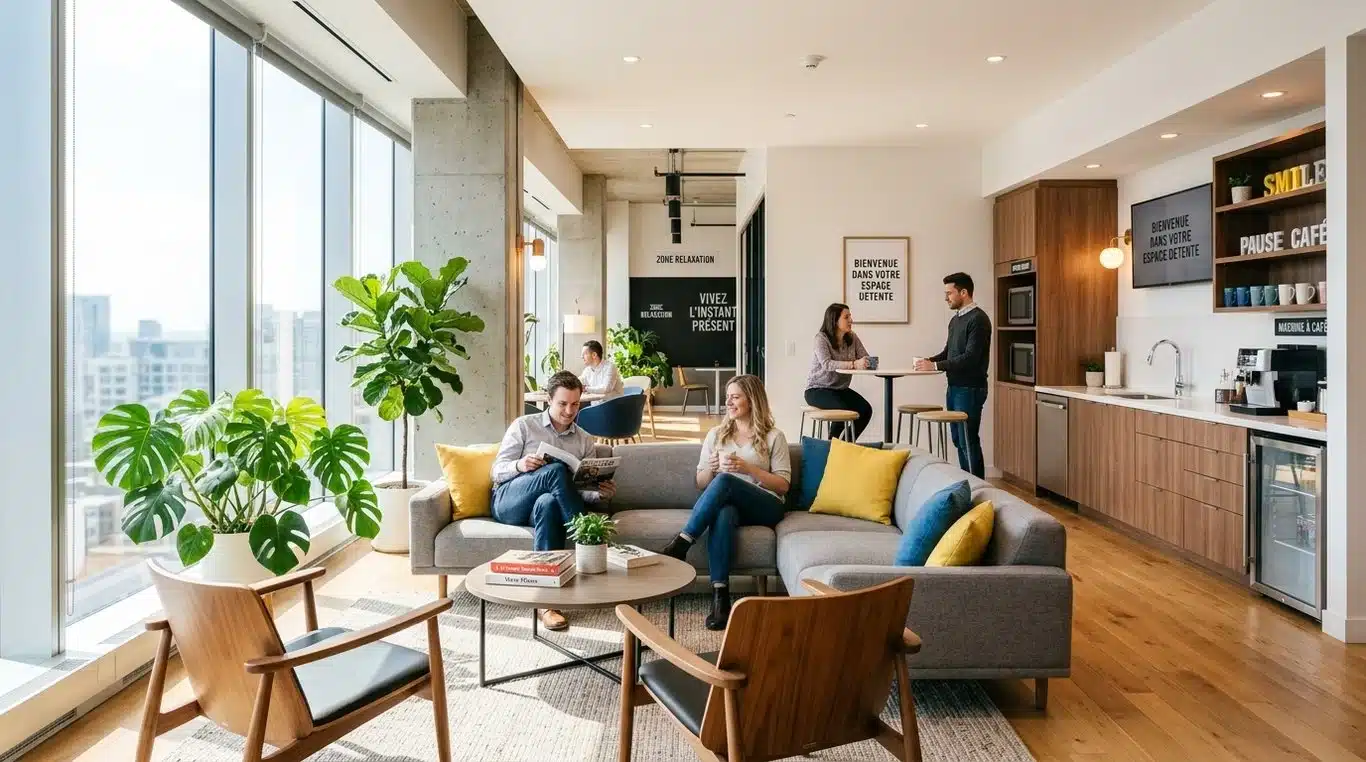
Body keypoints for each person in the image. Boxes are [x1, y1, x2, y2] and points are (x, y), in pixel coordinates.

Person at [658, 375, 791, 631]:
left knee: (727, 482)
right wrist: (712, 468)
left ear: (752, 400)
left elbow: (783, 485)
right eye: (727, 396)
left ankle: (683, 541)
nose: (728, 402)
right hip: (732, 505)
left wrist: (748, 468)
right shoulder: (716, 434)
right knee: (724, 512)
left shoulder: (775, 436)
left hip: (766, 505)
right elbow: (700, 481)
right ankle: (720, 598)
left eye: (735, 396)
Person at [490, 371, 616, 631]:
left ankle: (547, 604)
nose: (569, 411)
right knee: (556, 471)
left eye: (575, 404)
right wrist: (521, 464)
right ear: (549, 400)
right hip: (509, 500)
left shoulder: (583, 439)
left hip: (545, 507)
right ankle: (586, 537)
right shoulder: (524, 425)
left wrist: (599, 493)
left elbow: (582, 490)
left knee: (548, 503)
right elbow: (496, 470)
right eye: (562, 404)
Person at [914, 272, 991, 477]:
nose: (946, 298)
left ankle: (978, 487)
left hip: (971, 388)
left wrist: (937, 366)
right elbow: (949, 352)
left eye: (949, 293)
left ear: (964, 292)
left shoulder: (979, 319)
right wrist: (929, 361)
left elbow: (970, 358)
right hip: (955, 387)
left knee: (968, 440)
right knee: (958, 439)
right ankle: (969, 484)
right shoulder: (955, 320)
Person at [803, 303, 873, 440]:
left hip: (840, 389)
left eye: (850, 317)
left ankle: (844, 446)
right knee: (842, 411)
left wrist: (868, 362)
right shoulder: (821, 339)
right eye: (846, 317)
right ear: (834, 320)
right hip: (817, 390)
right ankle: (832, 447)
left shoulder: (852, 338)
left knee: (865, 410)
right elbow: (827, 364)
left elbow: (865, 357)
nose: (851, 320)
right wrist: (854, 364)